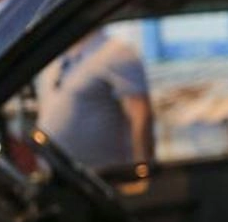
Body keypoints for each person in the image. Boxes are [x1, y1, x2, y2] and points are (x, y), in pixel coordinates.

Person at [36, 28, 154, 169]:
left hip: (103, 175)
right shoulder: (54, 58)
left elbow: (141, 117)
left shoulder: (116, 53)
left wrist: (142, 169)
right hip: (56, 173)